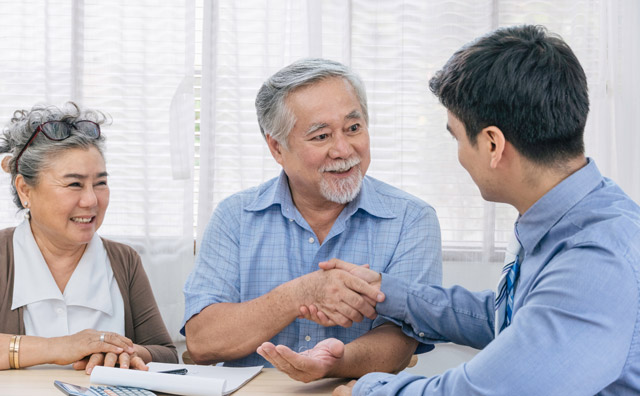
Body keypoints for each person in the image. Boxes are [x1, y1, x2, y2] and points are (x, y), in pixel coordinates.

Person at [269, 25, 639, 395]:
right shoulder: (572, 217)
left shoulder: (596, 256)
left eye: (457, 137)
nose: (458, 154)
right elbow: (512, 319)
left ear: (493, 144)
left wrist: (368, 390)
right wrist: (387, 292)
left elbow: (488, 390)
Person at [181, 58, 442, 381]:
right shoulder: (234, 216)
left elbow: (401, 341)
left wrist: (335, 362)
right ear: (277, 148)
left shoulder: (412, 219)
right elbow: (203, 341)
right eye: (321, 136)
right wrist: (297, 295)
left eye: (354, 128)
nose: (344, 149)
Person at [0, 102, 178, 373]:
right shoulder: (4, 255)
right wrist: (62, 347)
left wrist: (120, 353)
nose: (91, 200)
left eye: (100, 183)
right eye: (74, 184)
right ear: (25, 189)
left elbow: (165, 353)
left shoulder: (123, 260)